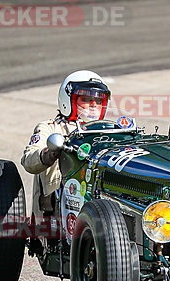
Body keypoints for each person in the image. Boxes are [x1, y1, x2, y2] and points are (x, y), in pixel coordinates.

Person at [21, 70, 110, 219]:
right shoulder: (51, 127)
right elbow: (28, 160)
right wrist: (49, 153)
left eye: (99, 101)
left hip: (100, 195)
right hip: (61, 198)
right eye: (87, 99)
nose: (94, 105)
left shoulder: (110, 131)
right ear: (68, 100)